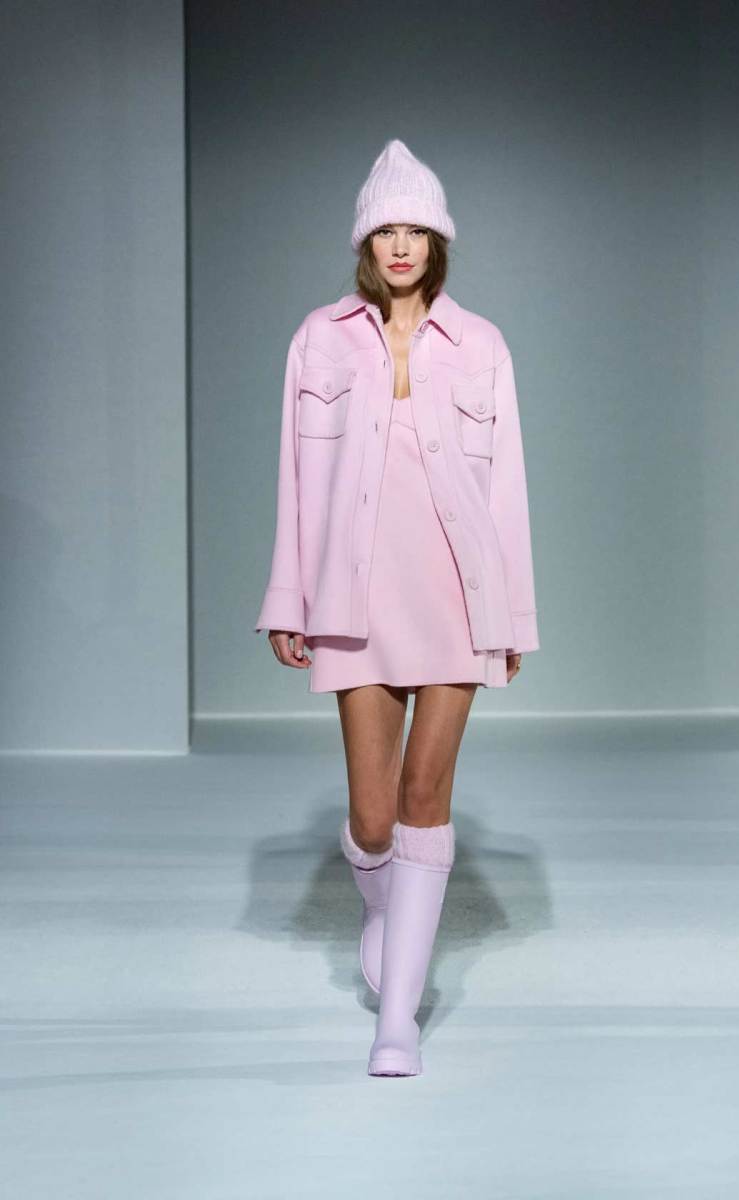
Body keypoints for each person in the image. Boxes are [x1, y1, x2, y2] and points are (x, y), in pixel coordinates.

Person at [253, 138, 540, 1076]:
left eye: (417, 229)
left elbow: (507, 493)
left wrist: (512, 617)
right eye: (387, 230)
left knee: (424, 801)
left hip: (456, 596)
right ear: (366, 243)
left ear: (438, 240)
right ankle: (390, 920)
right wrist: (288, 599)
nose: (403, 244)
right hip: (356, 599)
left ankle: (398, 1021)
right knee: (374, 820)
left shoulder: (481, 344)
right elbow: (297, 482)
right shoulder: (319, 338)